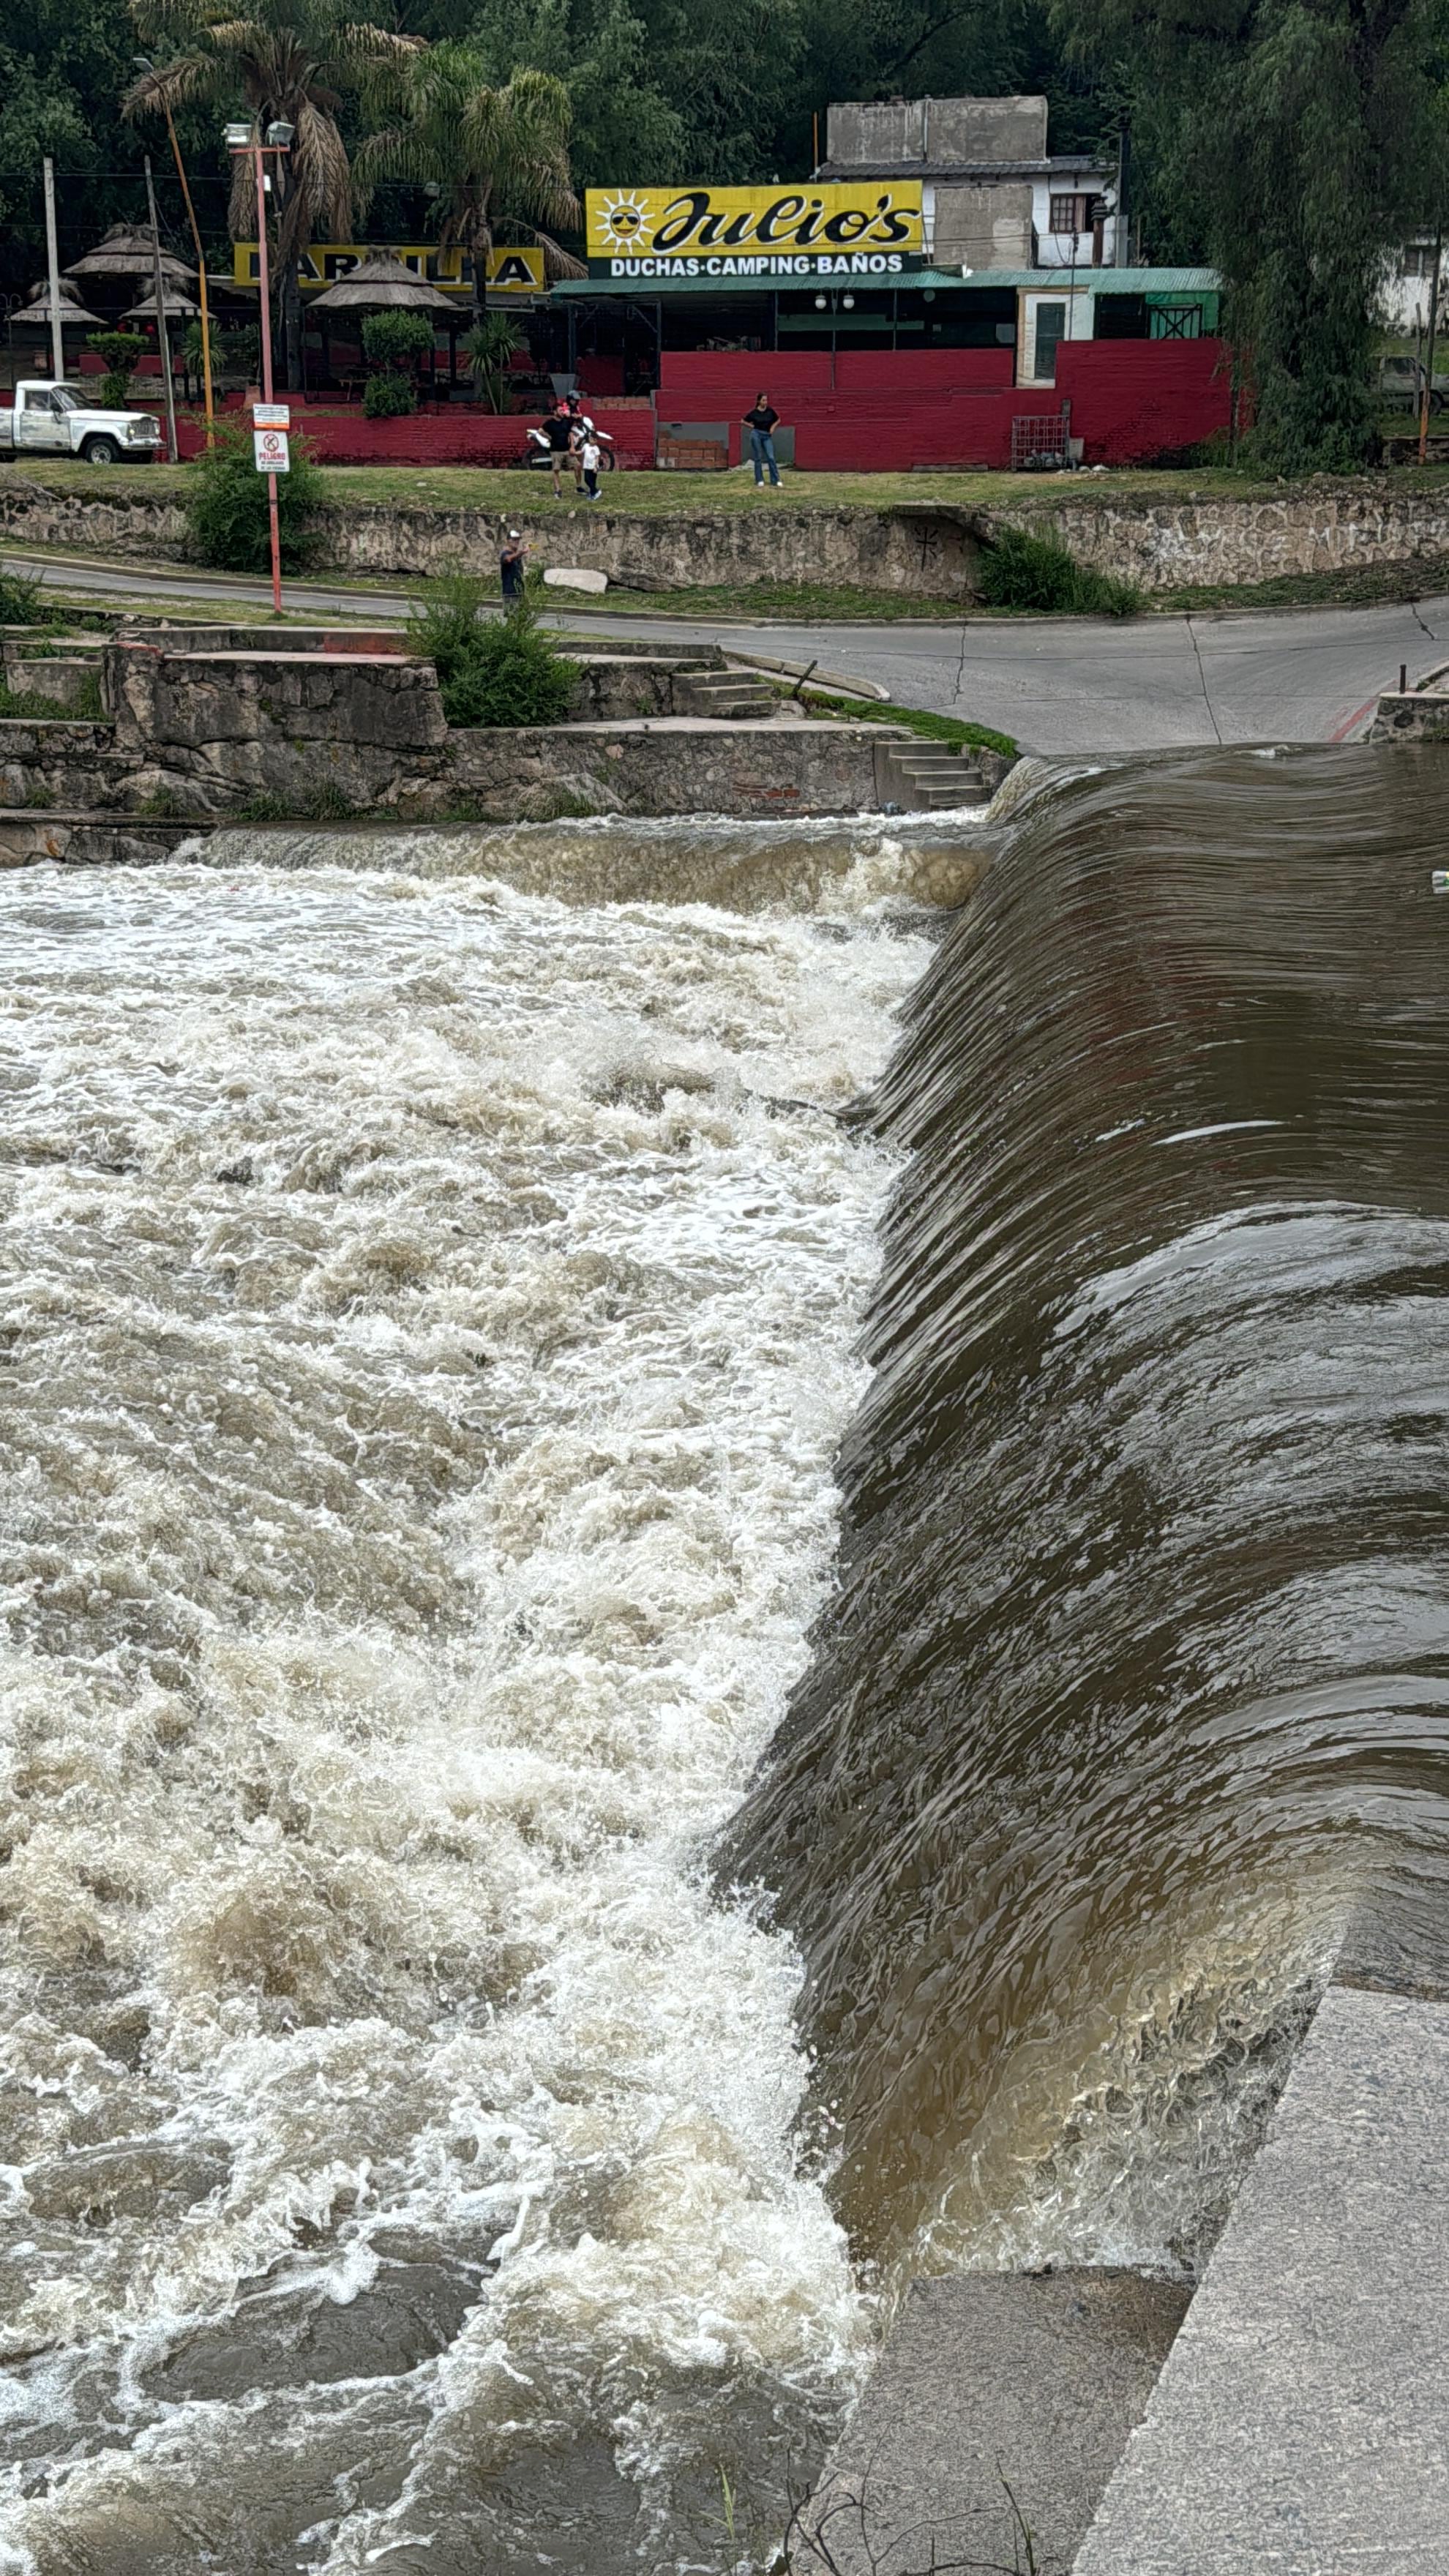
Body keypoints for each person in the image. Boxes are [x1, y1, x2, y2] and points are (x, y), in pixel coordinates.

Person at [743, 393, 782, 487]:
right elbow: (743, 421)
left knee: (771, 457)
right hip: (756, 434)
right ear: (759, 401)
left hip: (767, 435)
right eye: (763, 400)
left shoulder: (770, 411)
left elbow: (778, 420)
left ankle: (775, 480)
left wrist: (772, 428)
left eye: (766, 400)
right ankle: (759, 479)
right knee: (758, 457)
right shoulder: (754, 412)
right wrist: (752, 426)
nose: (765, 402)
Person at [541, 402, 575, 497]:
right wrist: (548, 437)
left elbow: (570, 434)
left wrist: (572, 446)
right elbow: (541, 431)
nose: (562, 412)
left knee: (577, 466)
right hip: (555, 450)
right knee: (556, 470)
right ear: (555, 412)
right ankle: (558, 489)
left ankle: (579, 486)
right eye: (560, 410)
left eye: (563, 410)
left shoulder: (565, 422)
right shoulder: (550, 423)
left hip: (567, 450)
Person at [500, 529, 529, 601]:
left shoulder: (517, 556)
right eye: (514, 539)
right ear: (508, 540)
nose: (517, 541)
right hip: (510, 594)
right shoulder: (505, 553)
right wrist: (522, 552)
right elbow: (508, 559)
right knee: (511, 611)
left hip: (520, 593)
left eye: (518, 539)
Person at [580, 432, 603, 500]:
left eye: (594, 440)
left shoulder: (596, 448)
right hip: (586, 466)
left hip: (593, 467)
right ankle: (595, 491)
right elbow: (581, 452)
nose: (592, 441)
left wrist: (596, 467)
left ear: (596, 441)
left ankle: (593, 493)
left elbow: (597, 458)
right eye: (591, 439)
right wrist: (574, 453)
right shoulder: (586, 446)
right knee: (587, 479)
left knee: (592, 481)